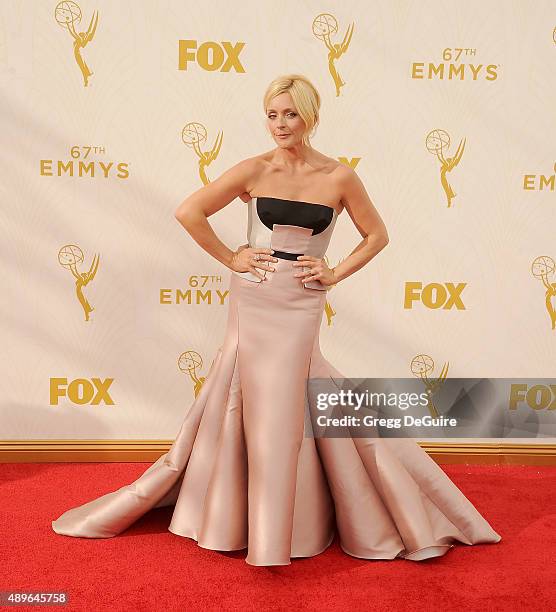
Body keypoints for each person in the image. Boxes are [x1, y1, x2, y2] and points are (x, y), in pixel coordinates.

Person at [52, 74, 501, 566]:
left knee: (291, 402)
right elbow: (189, 211)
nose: (279, 124)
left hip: (302, 301)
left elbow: (376, 236)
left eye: (289, 114)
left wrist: (333, 272)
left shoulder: (339, 177)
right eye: (271, 114)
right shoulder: (255, 169)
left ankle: (296, 519)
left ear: (310, 116)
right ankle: (238, 516)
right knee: (245, 395)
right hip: (256, 295)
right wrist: (231, 257)